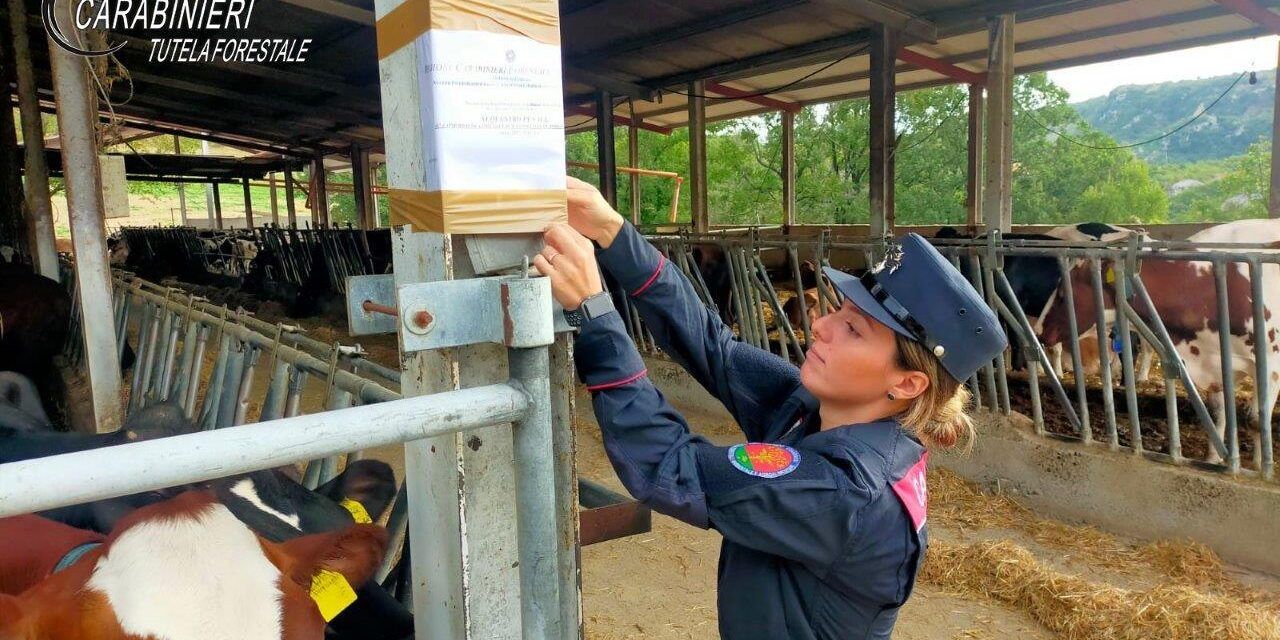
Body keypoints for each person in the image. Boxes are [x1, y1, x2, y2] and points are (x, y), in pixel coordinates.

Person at [533, 176, 1008, 640]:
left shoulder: (845, 491)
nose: (821, 326)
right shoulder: (820, 413)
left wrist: (594, 312)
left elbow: (671, 467)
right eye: (839, 311)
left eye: (855, 330)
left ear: (907, 382)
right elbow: (714, 349)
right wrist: (614, 233)